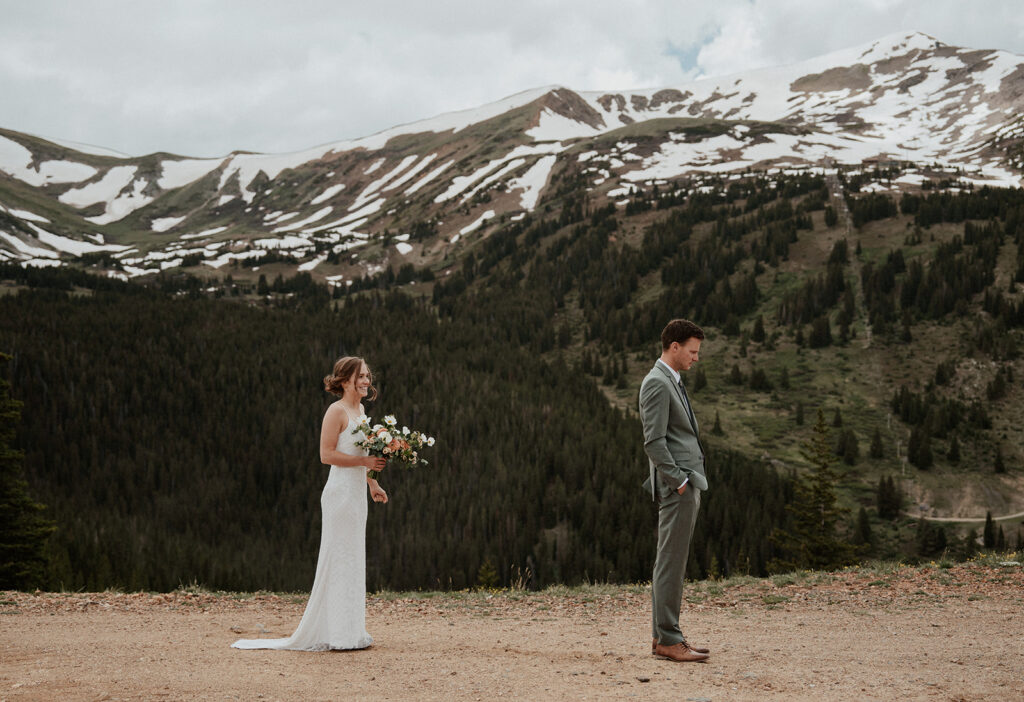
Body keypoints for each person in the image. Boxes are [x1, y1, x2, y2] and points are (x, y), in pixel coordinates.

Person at [232, 356, 388, 651]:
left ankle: (351, 631)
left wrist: (372, 482)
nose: (367, 381)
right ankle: (338, 635)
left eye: (368, 376)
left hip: (356, 494)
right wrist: (365, 461)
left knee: (353, 558)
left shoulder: (361, 409)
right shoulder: (336, 411)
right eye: (361, 377)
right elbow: (326, 455)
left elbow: (360, 455)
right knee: (339, 557)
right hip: (340, 494)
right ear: (344, 380)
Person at [639, 319, 710, 663]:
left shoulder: (672, 380)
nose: (696, 358)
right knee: (671, 562)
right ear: (674, 346)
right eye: (693, 351)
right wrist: (680, 482)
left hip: (683, 484)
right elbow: (653, 442)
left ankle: (662, 635)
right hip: (677, 487)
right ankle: (668, 639)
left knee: (669, 561)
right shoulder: (656, 383)